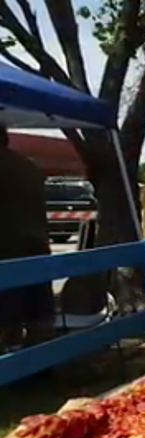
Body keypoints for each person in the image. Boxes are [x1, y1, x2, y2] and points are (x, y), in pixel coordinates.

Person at [0, 125, 55, 351]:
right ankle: (42, 360)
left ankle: (10, 363)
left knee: (7, 315)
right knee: (38, 311)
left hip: (7, 248)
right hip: (37, 244)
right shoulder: (29, 166)